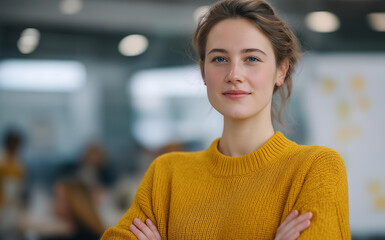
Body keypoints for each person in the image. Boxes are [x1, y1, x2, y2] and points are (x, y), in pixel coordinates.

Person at [102, 0, 350, 239]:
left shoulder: (315, 168)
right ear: (203, 72)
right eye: (220, 59)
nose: (234, 74)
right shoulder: (166, 173)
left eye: (251, 58)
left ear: (281, 70)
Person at [40, 178, 105, 240]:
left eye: (58, 199)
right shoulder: (93, 232)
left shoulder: (81, 235)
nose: (53, 203)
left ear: (73, 204)